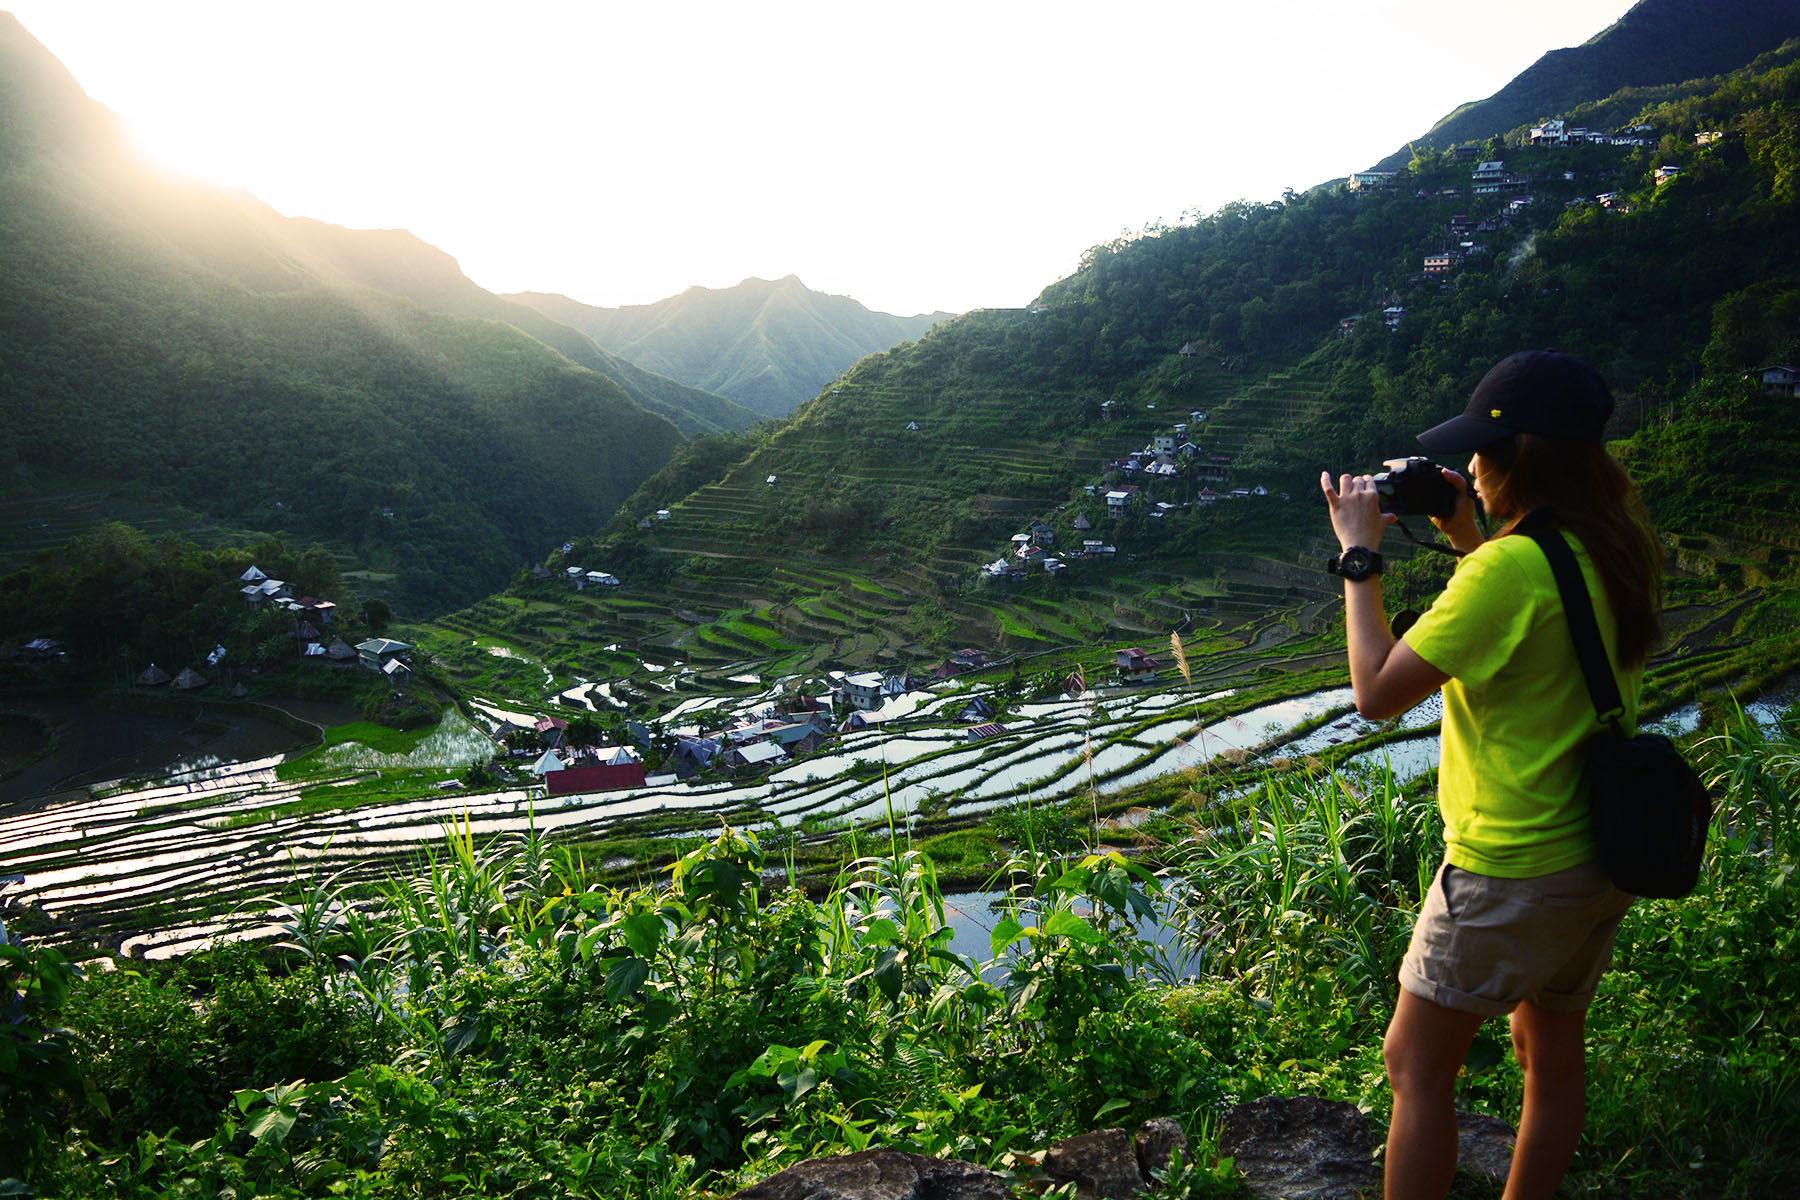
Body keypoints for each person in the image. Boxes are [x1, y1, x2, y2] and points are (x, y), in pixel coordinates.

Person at [1317, 350, 1663, 1200]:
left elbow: (1376, 693)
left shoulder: (1510, 570)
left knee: (1415, 1066)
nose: (1469, 464)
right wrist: (1466, 532)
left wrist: (1359, 557)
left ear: (1520, 458)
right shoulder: (1609, 543)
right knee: (1548, 1054)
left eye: (1481, 450)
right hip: (1597, 851)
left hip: (1512, 865)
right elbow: (1544, 617)